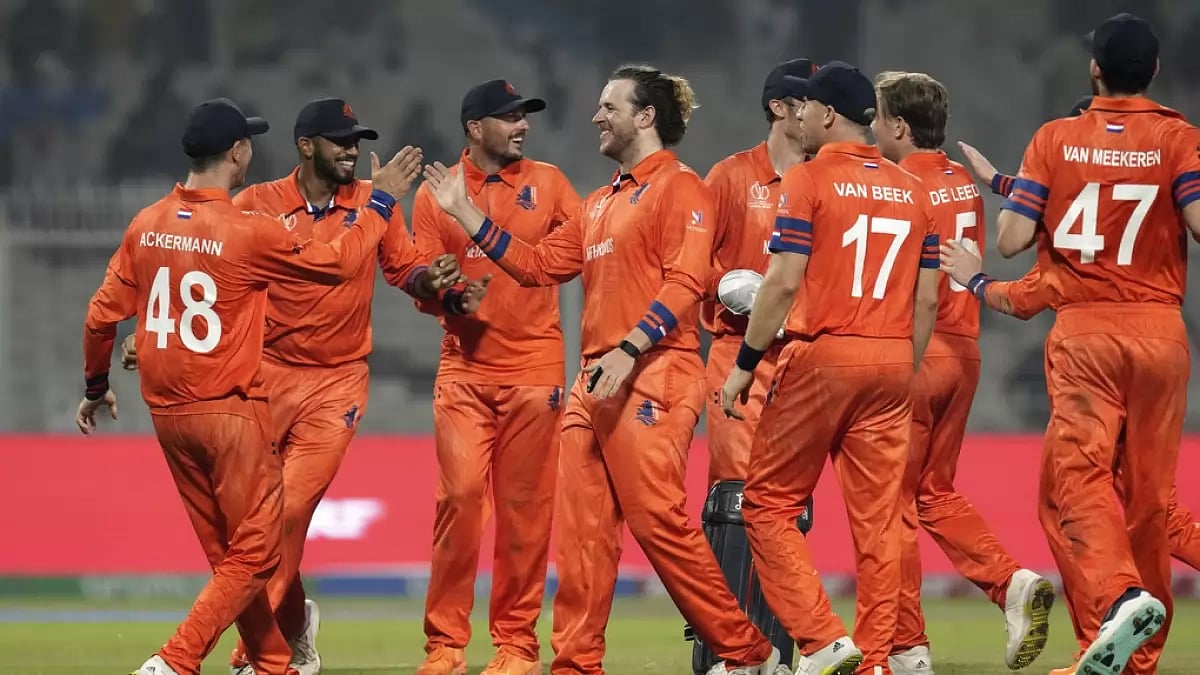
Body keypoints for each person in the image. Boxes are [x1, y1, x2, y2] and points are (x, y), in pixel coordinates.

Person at [421, 64, 785, 675]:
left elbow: (688, 280)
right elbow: (537, 266)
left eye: (609, 106)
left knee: (658, 523)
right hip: (595, 379)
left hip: (654, 372)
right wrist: (466, 215)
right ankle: (576, 663)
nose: (595, 116)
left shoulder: (682, 189)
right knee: (583, 535)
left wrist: (631, 347)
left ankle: (749, 652)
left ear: (645, 117)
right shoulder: (598, 204)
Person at [77, 97, 415, 675]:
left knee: (226, 551)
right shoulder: (246, 227)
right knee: (258, 548)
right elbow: (336, 264)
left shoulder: (147, 223)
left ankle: (271, 662)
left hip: (164, 415)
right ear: (237, 152)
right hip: (229, 410)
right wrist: (381, 199)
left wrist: (95, 384)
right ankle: (175, 661)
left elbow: (99, 318)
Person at [962, 13, 1200, 675]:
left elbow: (1011, 241)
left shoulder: (1056, 138)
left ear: (1093, 68)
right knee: (1150, 502)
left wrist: (1011, 201)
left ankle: (1119, 599)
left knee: (1078, 481)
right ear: (1155, 71)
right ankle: (1137, 656)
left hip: (1089, 331)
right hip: (1160, 333)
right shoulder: (1179, 139)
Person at [720, 60, 941, 675]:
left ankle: (822, 640)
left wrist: (745, 362)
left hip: (824, 356)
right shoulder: (914, 190)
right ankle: (874, 662)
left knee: (766, 505)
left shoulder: (808, 179)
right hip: (895, 361)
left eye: (804, 110)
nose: (798, 119)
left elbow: (783, 281)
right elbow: (928, 298)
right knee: (879, 526)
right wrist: (902, 366)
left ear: (824, 114)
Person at [870, 70, 1053, 675]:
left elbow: (904, 284)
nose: (870, 128)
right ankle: (1012, 584)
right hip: (965, 350)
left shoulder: (897, 186)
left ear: (898, 126)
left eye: (876, 117)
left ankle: (908, 648)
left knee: (890, 506)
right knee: (933, 493)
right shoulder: (958, 182)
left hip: (919, 353)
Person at [409, 80, 580, 675]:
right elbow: (426, 284)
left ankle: (515, 645)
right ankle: (445, 646)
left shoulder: (552, 184)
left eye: (524, 115)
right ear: (474, 128)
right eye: (509, 117)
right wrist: (448, 295)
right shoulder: (435, 196)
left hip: (535, 368)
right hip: (464, 369)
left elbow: (566, 261)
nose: (522, 125)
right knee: (457, 500)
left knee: (525, 514)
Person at [703, 57, 814, 486]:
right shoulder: (730, 177)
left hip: (801, 355)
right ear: (778, 108)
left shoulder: (824, 178)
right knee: (735, 490)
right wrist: (731, 286)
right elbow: (689, 259)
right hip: (736, 347)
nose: (818, 112)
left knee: (789, 495)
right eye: (806, 101)